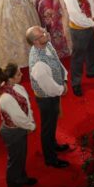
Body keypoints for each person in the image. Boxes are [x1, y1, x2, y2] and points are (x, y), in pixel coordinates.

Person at [26, 26, 70, 168]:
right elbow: (49, 88)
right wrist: (62, 88)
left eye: (44, 32)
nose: (46, 35)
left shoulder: (46, 43)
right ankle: (50, 158)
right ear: (35, 42)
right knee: (48, 128)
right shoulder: (38, 64)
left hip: (54, 91)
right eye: (42, 35)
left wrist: (64, 77)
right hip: (47, 99)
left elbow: (57, 62)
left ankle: (54, 144)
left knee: (52, 124)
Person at [0, 64, 37, 187]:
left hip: (20, 128)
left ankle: (22, 178)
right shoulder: (6, 97)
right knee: (14, 161)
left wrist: (30, 120)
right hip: (13, 132)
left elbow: (27, 104)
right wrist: (31, 126)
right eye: (19, 74)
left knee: (21, 156)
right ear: (10, 79)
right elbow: (18, 118)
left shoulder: (16, 87)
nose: (22, 74)